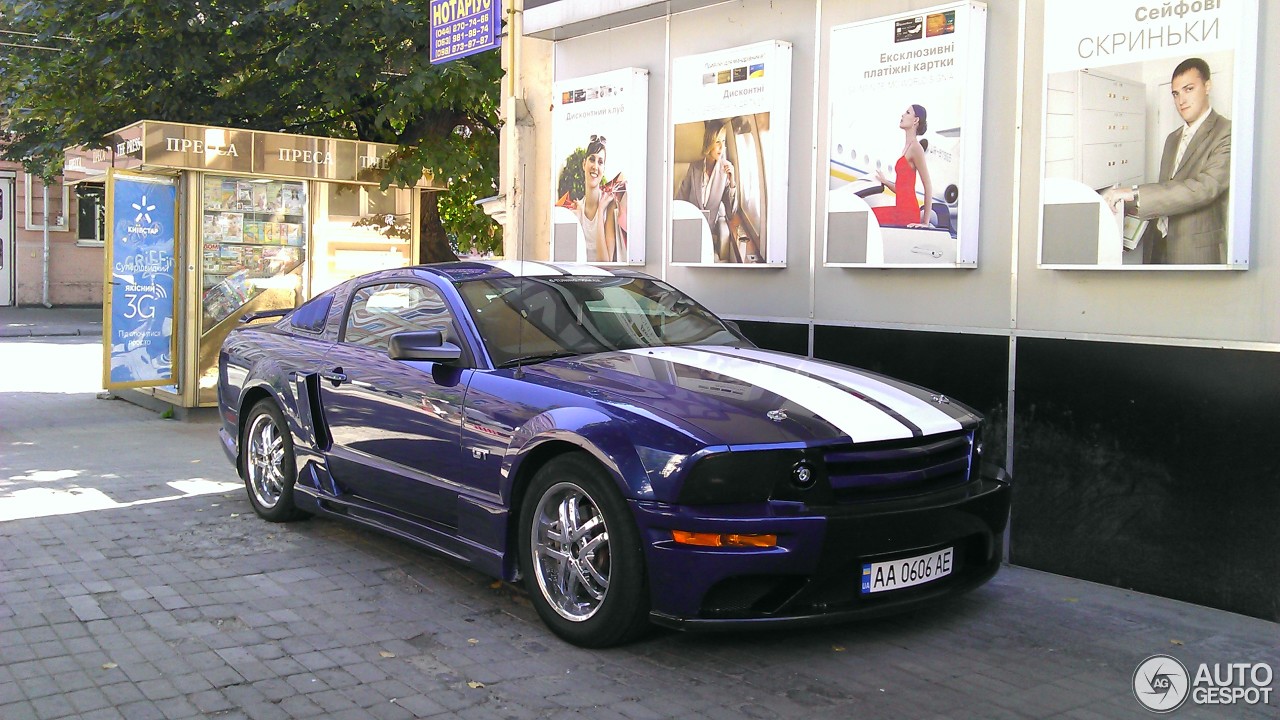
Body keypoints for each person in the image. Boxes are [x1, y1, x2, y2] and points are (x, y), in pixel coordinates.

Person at [1102, 58, 1231, 264]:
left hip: (1197, 251)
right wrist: (1127, 201)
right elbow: (1168, 188)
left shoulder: (1226, 131)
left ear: (1207, 86)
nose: (1181, 100)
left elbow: (1205, 188)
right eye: (1176, 93)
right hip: (1161, 246)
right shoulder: (1173, 138)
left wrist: (1134, 193)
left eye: (1189, 89)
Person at [675, 120, 738, 261]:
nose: (721, 147)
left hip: (708, 234)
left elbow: (731, 212)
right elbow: (679, 200)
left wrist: (732, 181)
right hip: (688, 230)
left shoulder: (725, 171)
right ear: (709, 142)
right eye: (717, 142)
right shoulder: (694, 168)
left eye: (723, 141)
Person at [873, 104, 934, 228]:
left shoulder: (916, 148)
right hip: (899, 210)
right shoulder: (906, 148)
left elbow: (927, 185)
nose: (902, 115)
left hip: (908, 214)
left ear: (916, 120)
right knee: (868, 215)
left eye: (907, 112)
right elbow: (902, 189)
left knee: (869, 216)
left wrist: (925, 222)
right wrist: (885, 182)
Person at [572, 135, 623, 262]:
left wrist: (600, 211)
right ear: (584, 164)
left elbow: (605, 262)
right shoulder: (577, 209)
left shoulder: (609, 207)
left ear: (603, 169)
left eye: (600, 162)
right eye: (592, 159)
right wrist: (578, 217)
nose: (595, 166)